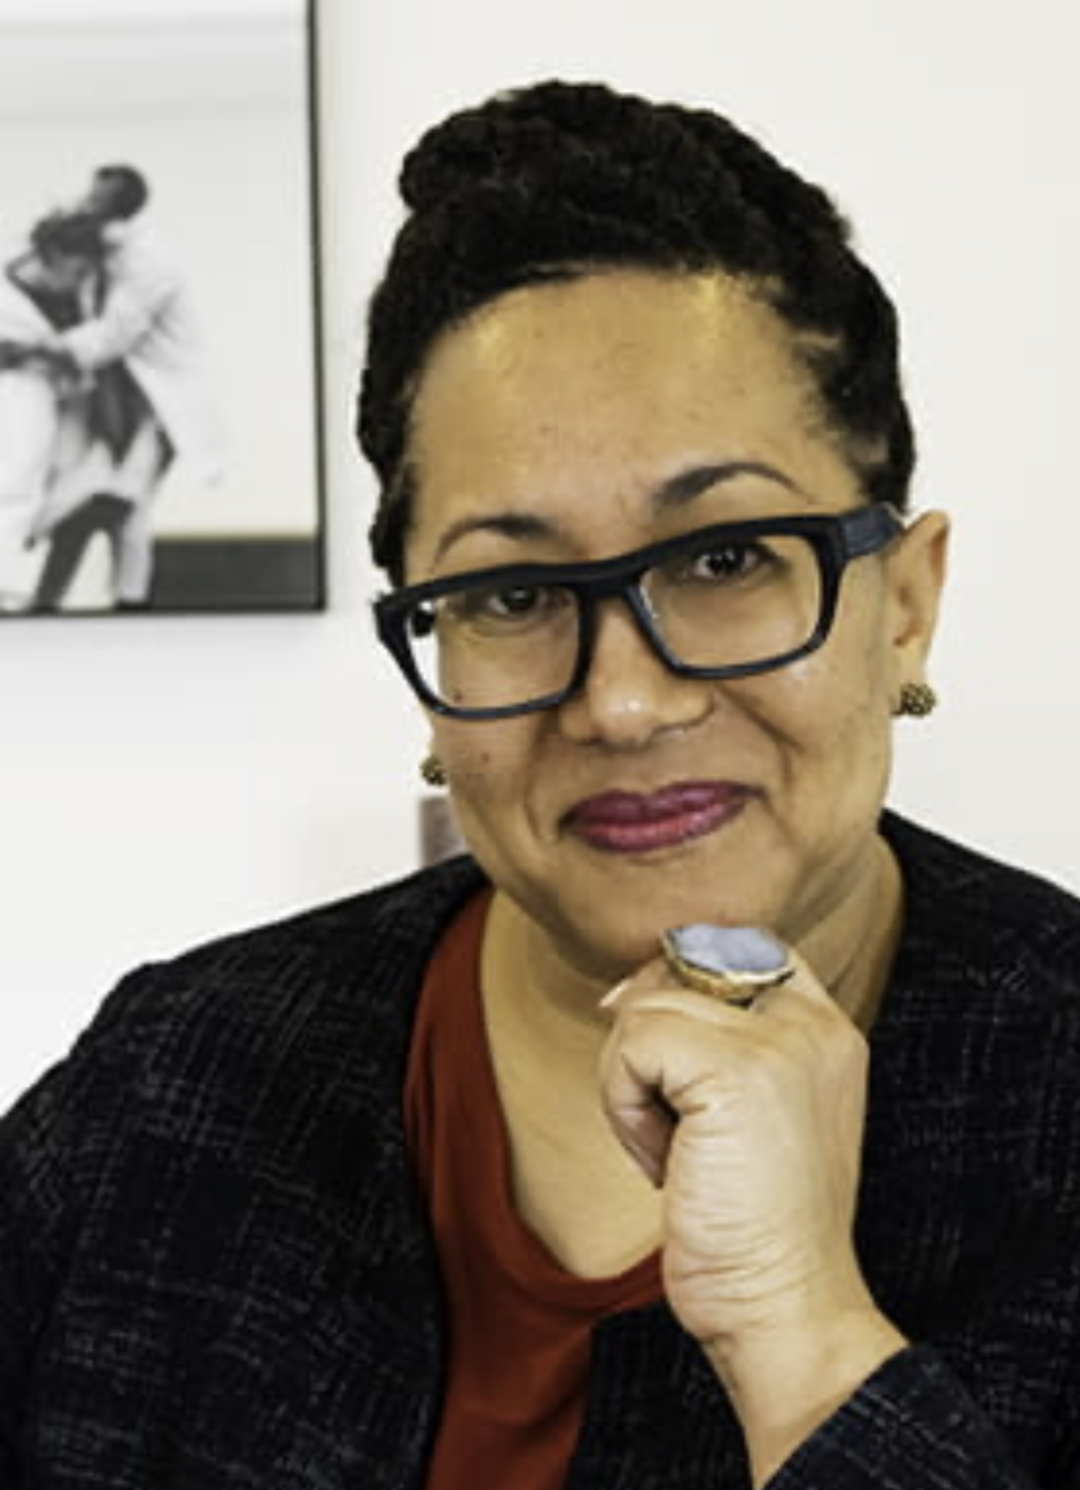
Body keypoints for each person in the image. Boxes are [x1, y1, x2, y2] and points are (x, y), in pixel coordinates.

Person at [1, 79, 1078, 1489]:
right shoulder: (172, 1081)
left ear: (906, 606)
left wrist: (804, 1341)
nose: (624, 701)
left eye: (728, 557)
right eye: (509, 588)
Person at [28, 164, 227, 610]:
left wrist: (31, 349)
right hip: (109, 396)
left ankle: (118, 601)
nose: (87, 202)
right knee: (113, 507)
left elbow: (111, 337)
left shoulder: (149, 260)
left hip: (156, 403)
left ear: (122, 206)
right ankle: (56, 601)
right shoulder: (99, 248)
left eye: (98, 198)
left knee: (118, 501)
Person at [0, 211, 104, 611]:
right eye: (77, 271)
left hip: (51, 435)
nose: (81, 283)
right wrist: (21, 354)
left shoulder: (77, 304)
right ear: (50, 255)